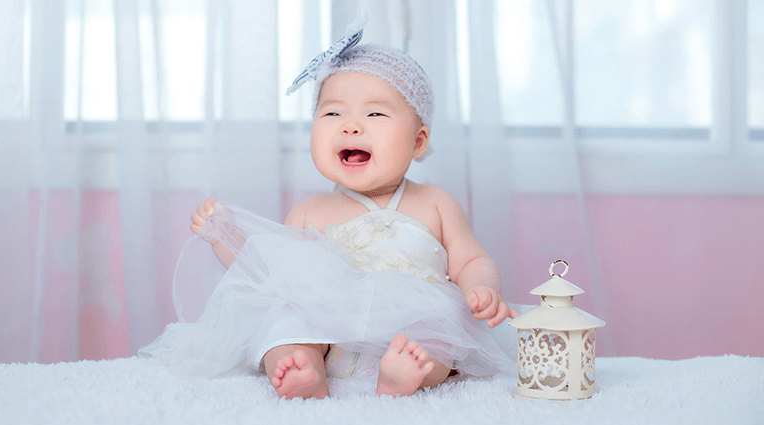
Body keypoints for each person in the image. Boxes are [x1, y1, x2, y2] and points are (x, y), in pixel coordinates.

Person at [140, 14, 519, 400]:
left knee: (439, 335)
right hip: (329, 332)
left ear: (418, 141)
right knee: (285, 322)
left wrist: (482, 288)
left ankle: (402, 378)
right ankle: (302, 368)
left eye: (375, 114)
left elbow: (471, 260)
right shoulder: (310, 212)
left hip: (406, 333)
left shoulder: (436, 202)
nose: (350, 126)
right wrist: (224, 236)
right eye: (332, 113)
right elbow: (269, 274)